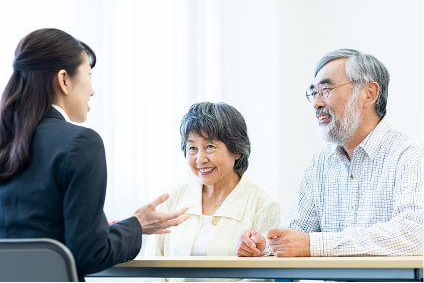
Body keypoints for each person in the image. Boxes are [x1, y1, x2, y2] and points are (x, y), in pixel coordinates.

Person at [0, 28, 189, 281]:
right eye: (89, 75)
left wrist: (107, 230)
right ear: (64, 79)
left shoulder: (7, 141)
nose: (92, 90)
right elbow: (90, 253)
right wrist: (138, 225)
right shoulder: (80, 143)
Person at [236, 48, 424, 257]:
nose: (317, 103)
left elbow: (415, 234)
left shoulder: (407, 153)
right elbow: (297, 232)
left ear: (369, 94)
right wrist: (264, 245)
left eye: (326, 90)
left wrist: (315, 245)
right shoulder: (321, 162)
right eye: (314, 93)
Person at [145, 102, 280, 263]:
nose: (200, 159)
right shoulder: (171, 201)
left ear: (236, 150)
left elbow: (263, 276)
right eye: (192, 148)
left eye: (209, 146)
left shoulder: (263, 204)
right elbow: (152, 266)